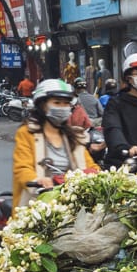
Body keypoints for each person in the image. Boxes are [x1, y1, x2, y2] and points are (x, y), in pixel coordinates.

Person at [12, 78, 96, 206]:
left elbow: (90, 166)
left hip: (72, 204)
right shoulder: (26, 133)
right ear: (42, 105)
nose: (62, 108)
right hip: (36, 205)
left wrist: (103, 178)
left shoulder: (74, 137)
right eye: (57, 103)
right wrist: (38, 180)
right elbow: (22, 168)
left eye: (66, 104)